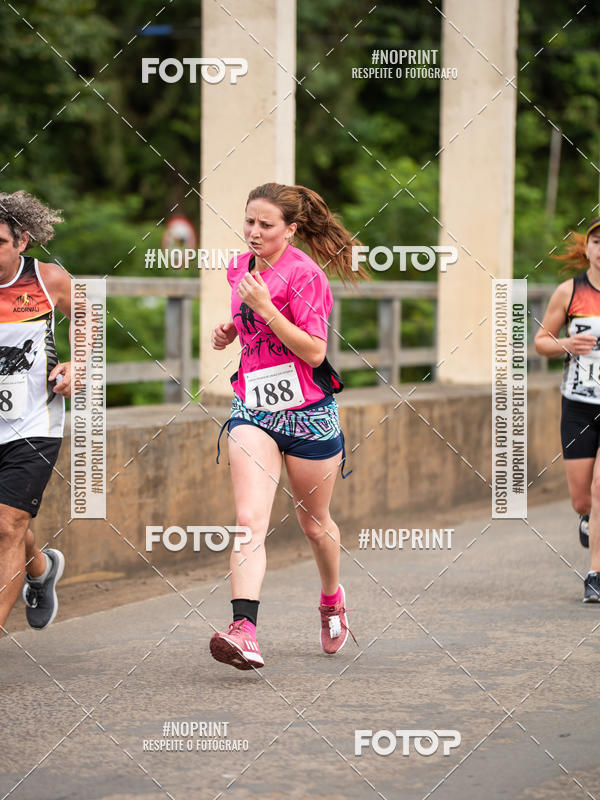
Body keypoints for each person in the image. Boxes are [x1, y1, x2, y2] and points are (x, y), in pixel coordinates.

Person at [209, 182, 368, 670]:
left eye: (266, 225)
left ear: (291, 230)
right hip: (254, 409)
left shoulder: (307, 276)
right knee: (248, 521)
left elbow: (315, 351)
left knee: (314, 524)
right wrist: (234, 327)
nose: (254, 233)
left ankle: (331, 599)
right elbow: (252, 317)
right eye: (249, 222)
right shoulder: (241, 267)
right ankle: (245, 629)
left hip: (308, 415)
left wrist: (265, 310)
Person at [0, 190, 72, 634]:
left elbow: (89, 317)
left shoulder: (48, 280)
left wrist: (78, 362)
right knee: (7, 521)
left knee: (7, 524)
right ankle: (41, 569)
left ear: (22, 241)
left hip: (34, 422)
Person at [534, 216, 600, 603]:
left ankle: (595, 573)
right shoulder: (569, 292)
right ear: (587, 248)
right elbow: (541, 342)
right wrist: (566, 346)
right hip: (578, 404)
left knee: (599, 488)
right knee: (582, 498)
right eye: (596, 240)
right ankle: (587, 517)